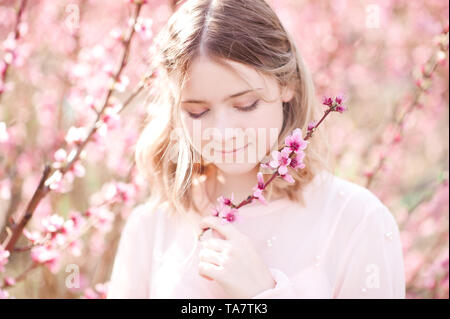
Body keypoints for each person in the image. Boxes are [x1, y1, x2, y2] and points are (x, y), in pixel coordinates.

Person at [107, 0, 406, 299]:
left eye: (245, 105)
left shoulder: (356, 220)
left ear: (286, 84)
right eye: (197, 112)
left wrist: (261, 293)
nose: (223, 133)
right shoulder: (151, 227)